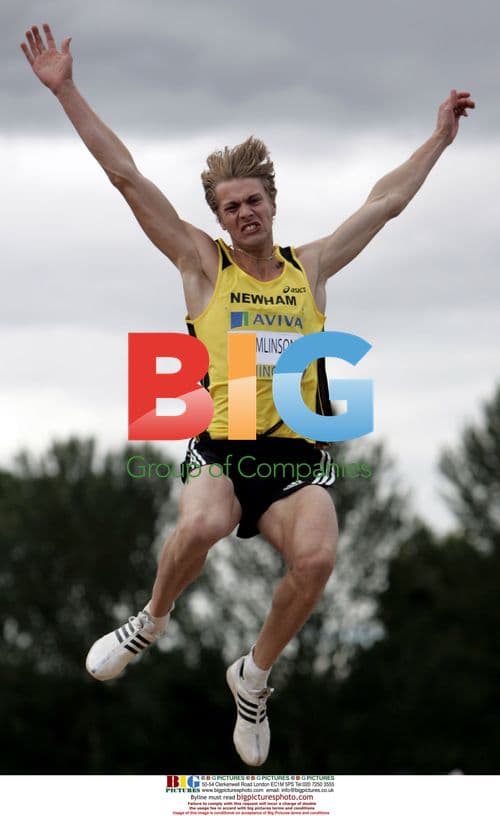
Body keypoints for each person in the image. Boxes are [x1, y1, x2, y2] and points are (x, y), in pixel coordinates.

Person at [21, 23, 475, 767]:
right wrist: (66, 89)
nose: (244, 214)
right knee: (199, 527)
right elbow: (127, 177)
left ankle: (254, 677)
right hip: (221, 451)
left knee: (320, 558)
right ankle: (150, 620)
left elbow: (385, 202)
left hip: (292, 458)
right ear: (221, 216)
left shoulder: (312, 268)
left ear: (272, 201)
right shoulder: (202, 266)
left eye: (253, 200)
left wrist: (437, 142)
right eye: (230, 206)